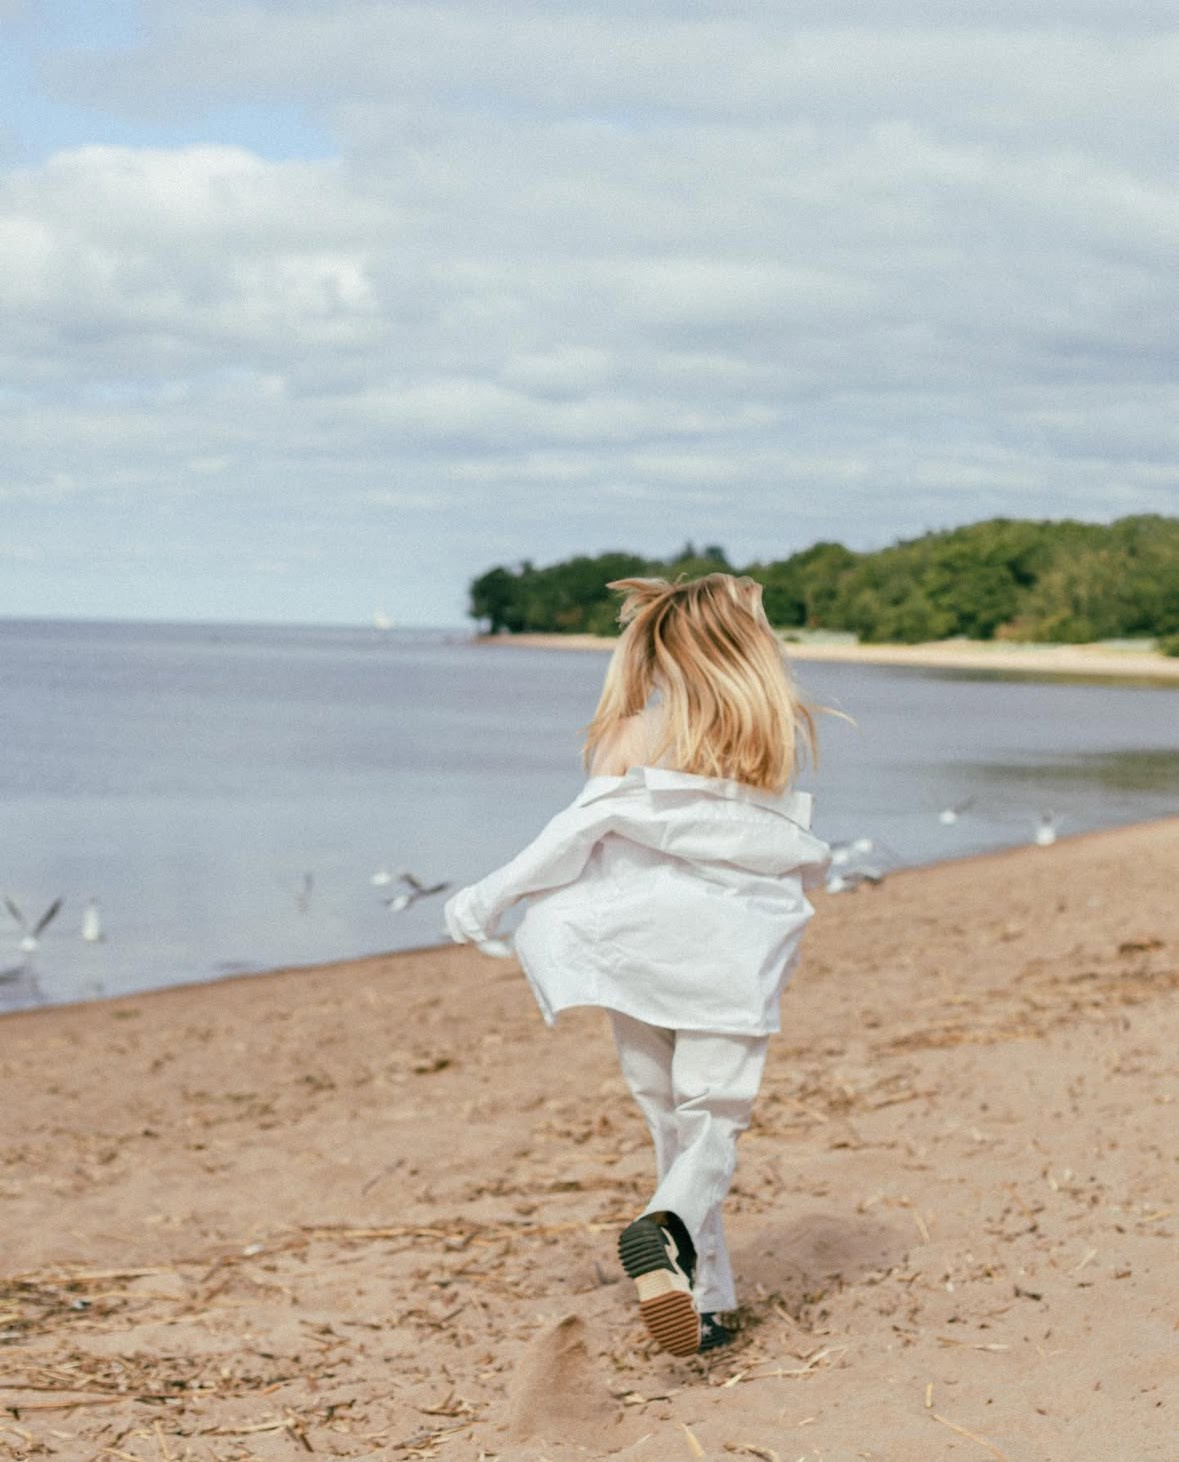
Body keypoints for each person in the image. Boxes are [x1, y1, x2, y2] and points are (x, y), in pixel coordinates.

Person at [444, 573, 830, 1357]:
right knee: (712, 1121)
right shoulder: (770, 737)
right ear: (747, 650)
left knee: (665, 1119)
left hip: (634, 952)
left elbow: (573, 838)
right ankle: (672, 1238)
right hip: (727, 957)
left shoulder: (628, 735)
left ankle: (708, 1296)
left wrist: (488, 898)